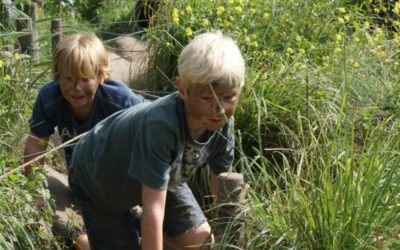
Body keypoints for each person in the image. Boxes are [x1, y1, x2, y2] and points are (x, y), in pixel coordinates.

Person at [69, 30, 246, 249]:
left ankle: (135, 226)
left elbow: (221, 188)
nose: (219, 109)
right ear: (182, 89)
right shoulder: (161, 126)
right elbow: (154, 209)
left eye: (229, 97)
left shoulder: (221, 126)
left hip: (164, 179)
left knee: (201, 242)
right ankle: (88, 242)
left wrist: (223, 242)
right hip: (100, 179)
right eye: (207, 97)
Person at [22, 32, 146, 248]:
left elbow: (149, 139)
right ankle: (80, 238)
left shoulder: (120, 101)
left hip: (122, 185)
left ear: (101, 75)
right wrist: (35, 191)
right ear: (58, 76)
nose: (75, 88)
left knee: (139, 222)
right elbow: (36, 144)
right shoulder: (50, 98)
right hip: (84, 185)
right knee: (56, 216)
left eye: (84, 78)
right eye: (68, 79)